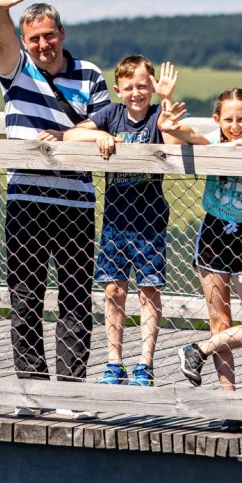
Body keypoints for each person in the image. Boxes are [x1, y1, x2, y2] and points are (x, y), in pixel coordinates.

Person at [0, 0, 109, 419]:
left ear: (61, 33)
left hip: (76, 202)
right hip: (26, 200)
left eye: (48, 36)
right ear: (25, 41)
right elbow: (2, 39)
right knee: (25, 299)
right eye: (33, 38)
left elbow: (99, 127)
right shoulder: (16, 70)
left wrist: (62, 140)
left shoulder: (91, 75)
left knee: (77, 299)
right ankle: (34, 395)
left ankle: (70, 397)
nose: (43, 45)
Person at [157, 89, 242, 395]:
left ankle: (198, 349)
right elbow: (191, 136)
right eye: (228, 119)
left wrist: (237, 145)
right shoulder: (213, 141)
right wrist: (172, 126)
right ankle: (229, 401)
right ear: (217, 119)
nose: (235, 125)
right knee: (220, 320)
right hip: (214, 235)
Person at [64, 55, 179, 387]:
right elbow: (72, 136)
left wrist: (167, 99)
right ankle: (114, 361)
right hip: (116, 217)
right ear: (118, 89)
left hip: (151, 217)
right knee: (113, 287)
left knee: (148, 288)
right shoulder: (111, 115)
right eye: (129, 87)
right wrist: (101, 137)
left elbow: (171, 141)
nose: (136, 93)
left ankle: (145, 362)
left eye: (143, 86)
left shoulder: (158, 115)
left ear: (153, 87)